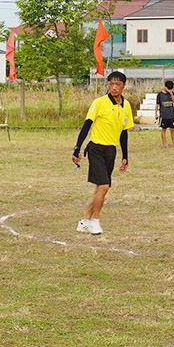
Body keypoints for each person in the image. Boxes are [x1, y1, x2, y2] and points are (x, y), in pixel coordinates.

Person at [72, 71, 133, 235]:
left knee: (100, 188)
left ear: (123, 86)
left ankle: (84, 221)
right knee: (104, 187)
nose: (114, 87)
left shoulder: (126, 106)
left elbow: (124, 133)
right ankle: (95, 221)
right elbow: (86, 126)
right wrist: (77, 148)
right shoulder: (99, 103)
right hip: (96, 149)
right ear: (108, 85)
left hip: (111, 151)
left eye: (118, 84)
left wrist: (125, 156)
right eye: (111, 84)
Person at [154, 80, 174, 148]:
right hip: (163, 115)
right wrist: (156, 113)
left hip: (171, 114)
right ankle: (164, 144)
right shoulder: (160, 94)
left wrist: (171, 94)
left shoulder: (171, 93)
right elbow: (157, 104)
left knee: (172, 129)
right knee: (163, 129)